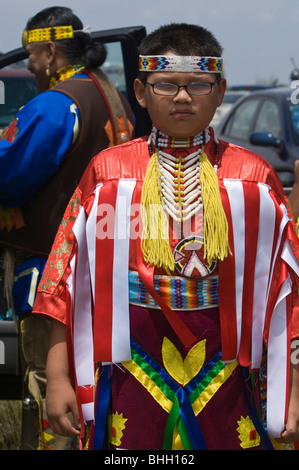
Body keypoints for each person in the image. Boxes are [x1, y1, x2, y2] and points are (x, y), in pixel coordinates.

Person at [33, 23, 299, 450]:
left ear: (219, 89)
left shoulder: (251, 178)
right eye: (166, 85)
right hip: (130, 366)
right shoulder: (109, 174)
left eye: (197, 84)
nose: (182, 96)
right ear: (140, 92)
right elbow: (67, 281)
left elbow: (286, 291)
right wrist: (59, 376)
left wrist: (293, 388)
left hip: (228, 368)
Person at [0, 6, 134, 450]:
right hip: (103, 266)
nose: (30, 66)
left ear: (51, 51)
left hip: (51, 272)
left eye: (33, 57)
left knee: (48, 384)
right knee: (92, 379)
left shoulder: (57, 106)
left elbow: (9, 177)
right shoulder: (106, 92)